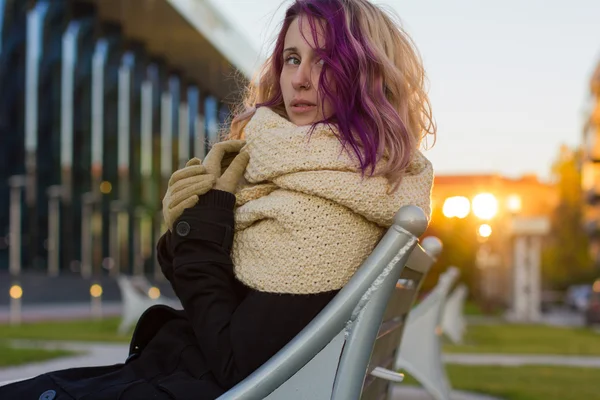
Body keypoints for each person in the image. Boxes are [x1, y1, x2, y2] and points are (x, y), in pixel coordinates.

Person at [0, 0, 435, 398]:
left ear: (365, 74)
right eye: (292, 58)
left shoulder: (323, 210)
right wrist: (197, 224)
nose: (299, 79)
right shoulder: (331, 180)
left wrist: (199, 228)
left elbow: (234, 362)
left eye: (325, 62)